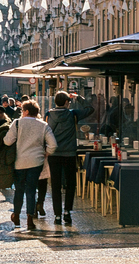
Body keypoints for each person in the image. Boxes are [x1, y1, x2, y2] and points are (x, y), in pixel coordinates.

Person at [8, 100, 52, 233]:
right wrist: (46, 153)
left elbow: (7, 140)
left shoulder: (16, 123)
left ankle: (16, 216)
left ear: (26, 111)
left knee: (19, 190)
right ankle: (29, 219)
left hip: (19, 162)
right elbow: (53, 144)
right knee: (31, 190)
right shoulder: (44, 125)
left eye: (22, 111)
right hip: (36, 162)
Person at [46, 91, 87, 227]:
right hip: (69, 154)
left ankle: (57, 215)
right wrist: (78, 98)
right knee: (70, 184)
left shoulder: (49, 114)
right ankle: (67, 212)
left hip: (54, 154)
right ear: (66, 102)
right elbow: (90, 109)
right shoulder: (72, 114)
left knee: (56, 185)